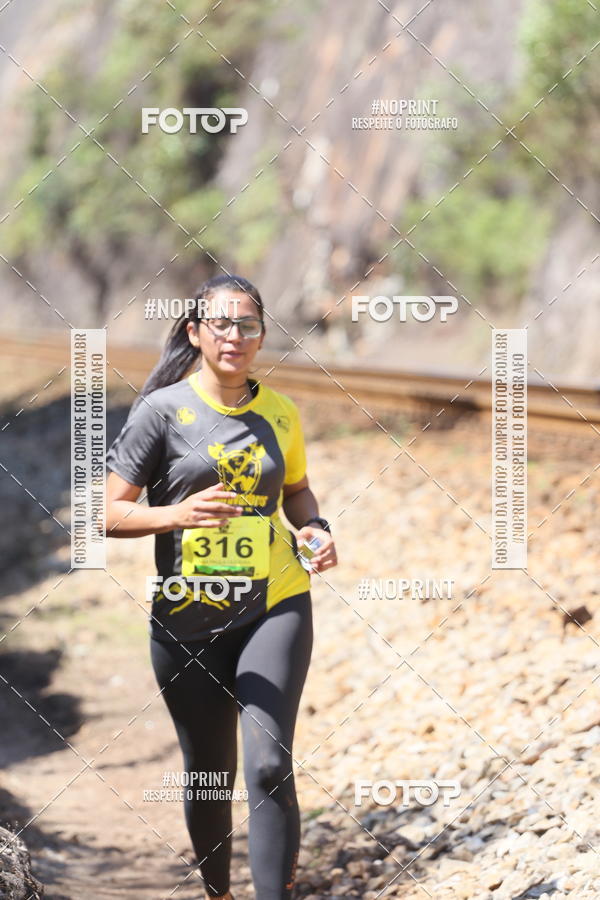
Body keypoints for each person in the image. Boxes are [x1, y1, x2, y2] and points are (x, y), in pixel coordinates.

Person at [104, 274, 338, 900]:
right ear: (196, 333)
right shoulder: (159, 413)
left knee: (267, 764)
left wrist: (314, 528)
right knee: (209, 773)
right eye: (223, 324)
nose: (236, 336)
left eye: (249, 325)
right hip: (190, 615)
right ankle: (218, 892)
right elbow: (106, 514)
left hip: (275, 602)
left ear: (262, 336)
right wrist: (175, 515)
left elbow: (294, 491)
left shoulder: (281, 412)